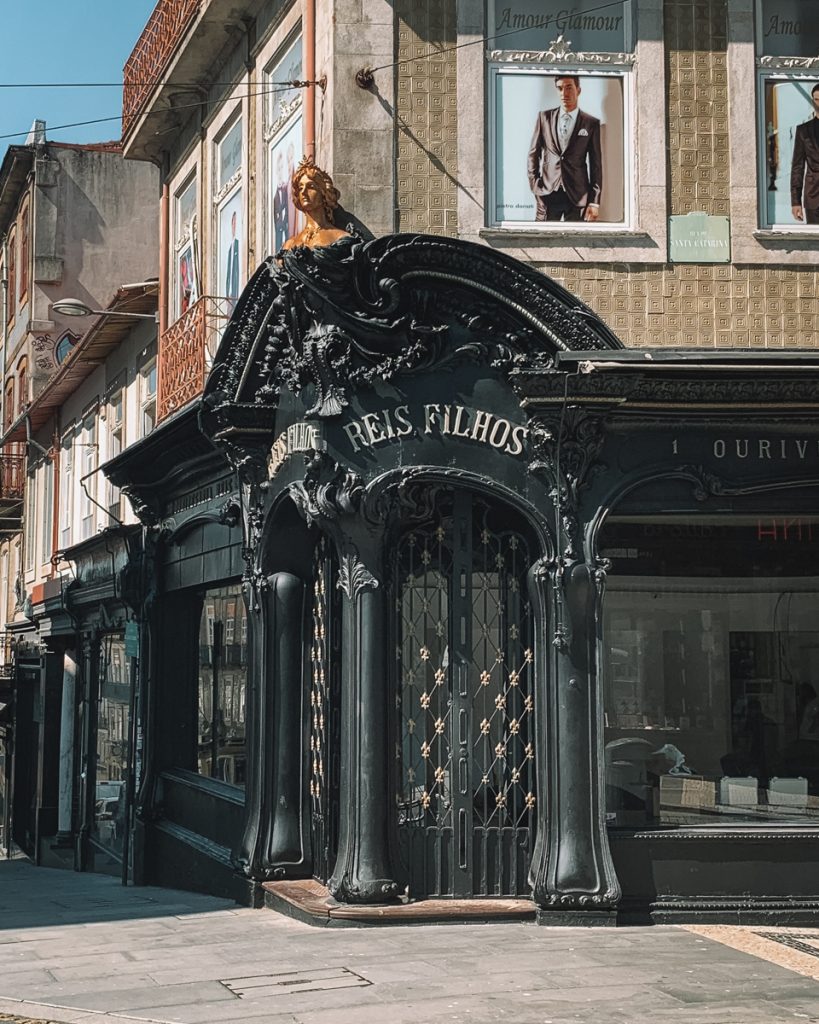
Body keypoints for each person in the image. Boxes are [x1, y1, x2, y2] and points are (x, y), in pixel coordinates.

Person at [527, 75, 602, 222]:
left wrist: (594, 201)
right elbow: (533, 154)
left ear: (578, 90)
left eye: (568, 88)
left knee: (576, 241)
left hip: (578, 196)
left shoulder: (590, 123)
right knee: (543, 241)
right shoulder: (544, 118)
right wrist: (535, 185)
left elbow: (596, 165)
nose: (564, 93)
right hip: (548, 193)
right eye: (560, 88)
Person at [282, 157, 350, 251]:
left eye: (311, 186)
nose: (304, 192)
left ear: (324, 193)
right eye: (300, 188)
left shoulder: (340, 238)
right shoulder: (289, 245)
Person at [790, 82, 819, 225]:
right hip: (813, 197)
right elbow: (797, 167)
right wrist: (795, 201)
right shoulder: (803, 131)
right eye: (817, 99)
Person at [273, 153, 289, 250]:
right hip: (278, 225)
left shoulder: (285, 188)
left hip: (286, 224)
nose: (280, 171)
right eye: (279, 168)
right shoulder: (274, 194)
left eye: (282, 168)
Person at [224, 210, 240, 301]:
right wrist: (226, 294)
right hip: (230, 293)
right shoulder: (230, 249)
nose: (234, 226)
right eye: (233, 223)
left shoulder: (238, 244)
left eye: (236, 223)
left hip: (236, 290)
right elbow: (228, 273)